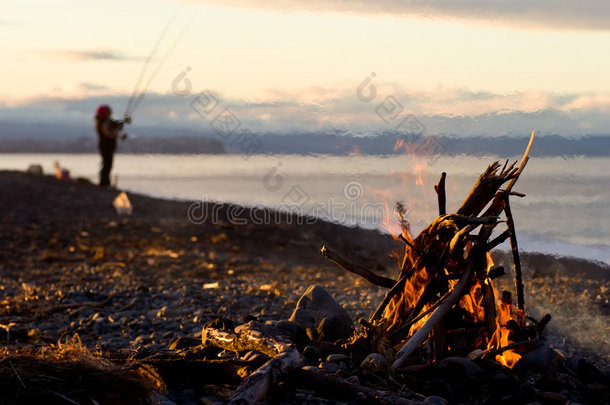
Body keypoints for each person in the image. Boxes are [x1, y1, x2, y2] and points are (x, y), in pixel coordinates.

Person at [94, 105, 131, 187]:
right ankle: (104, 183)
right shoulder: (103, 122)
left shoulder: (105, 121)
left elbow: (116, 126)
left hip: (107, 146)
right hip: (105, 146)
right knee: (107, 164)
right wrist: (118, 134)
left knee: (107, 163)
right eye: (108, 111)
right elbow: (108, 133)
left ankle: (105, 182)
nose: (110, 113)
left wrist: (123, 122)